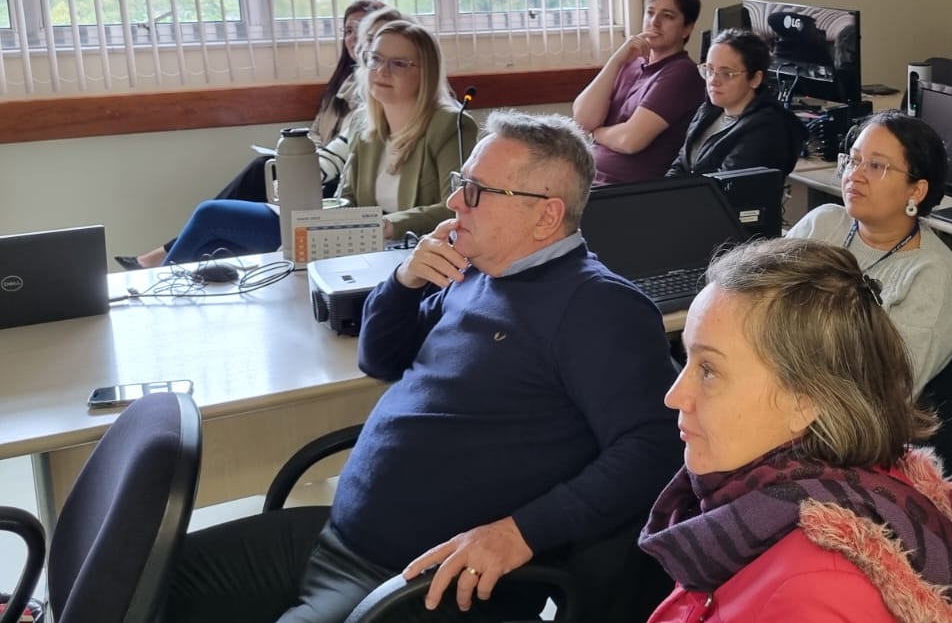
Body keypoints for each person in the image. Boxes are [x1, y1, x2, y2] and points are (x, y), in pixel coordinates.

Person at [164, 110, 683, 623]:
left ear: (546, 216)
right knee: (133, 582)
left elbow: (653, 447)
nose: (455, 201)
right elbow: (381, 357)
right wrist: (402, 281)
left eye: (476, 190)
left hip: (416, 583)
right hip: (334, 538)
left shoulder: (598, 307)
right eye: (461, 183)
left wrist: (521, 533)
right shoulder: (475, 275)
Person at [640, 238, 952, 623]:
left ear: (805, 401)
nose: (675, 397)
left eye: (709, 370)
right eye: (687, 358)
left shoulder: (813, 594)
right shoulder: (773, 495)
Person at [164, 18, 473, 262]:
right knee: (219, 236)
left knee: (212, 216)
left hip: (409, 253)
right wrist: (310, 209)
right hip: (356, 244)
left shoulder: (450, 125)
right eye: (375, 59)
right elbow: (349, 199)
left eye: (398, 63)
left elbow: (455, 209)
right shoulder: (363, 122)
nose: (381, 71)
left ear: (426, 73)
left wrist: (389, 225)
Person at [116, 0, 397, 269]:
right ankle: (167, 268)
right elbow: (324, 144)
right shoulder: (346, 90)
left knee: (219, 210)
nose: (357, 41)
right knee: (217, 225)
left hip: (339, 202)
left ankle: (161, 265)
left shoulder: (400, 112)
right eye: (350, 32)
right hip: (321, 182)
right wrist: (298, 168)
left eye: (367, 35)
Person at [785, 111, 952, 391]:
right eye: (854, 160)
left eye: (876, 166)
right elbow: (760, 298)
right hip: (779, 377)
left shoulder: (932, 277)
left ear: (916, 191)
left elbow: (889, 388)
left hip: (847, 418)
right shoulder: (823, 222)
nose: (855, 176)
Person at [572, 0, 705, 185]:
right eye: (650, 13)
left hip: (624, 190)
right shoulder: (631, 61)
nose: (655, 22)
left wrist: (596, 133)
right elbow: (583, 119)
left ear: (687, 29)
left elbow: (630, 141)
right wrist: (616, 60)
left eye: (667, 16)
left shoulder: (682, 73)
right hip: (588, 179)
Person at [666, 28, 806, 177]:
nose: (713, 81)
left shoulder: (766, 128)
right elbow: (682, 162)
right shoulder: (710, 110)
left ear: (755, 79)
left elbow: (725, 189)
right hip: (691, 198)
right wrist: (661, 195)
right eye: (709, 70)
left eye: (726, 74)